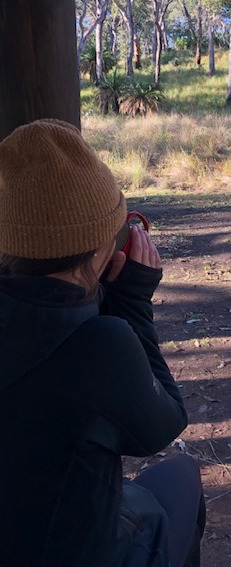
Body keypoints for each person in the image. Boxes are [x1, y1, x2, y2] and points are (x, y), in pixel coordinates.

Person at [0, 119, 205, 567]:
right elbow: (163, 424)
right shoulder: (101, 344)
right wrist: (130, 302)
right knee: (184, 477)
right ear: (99, 248)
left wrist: (95, 291)